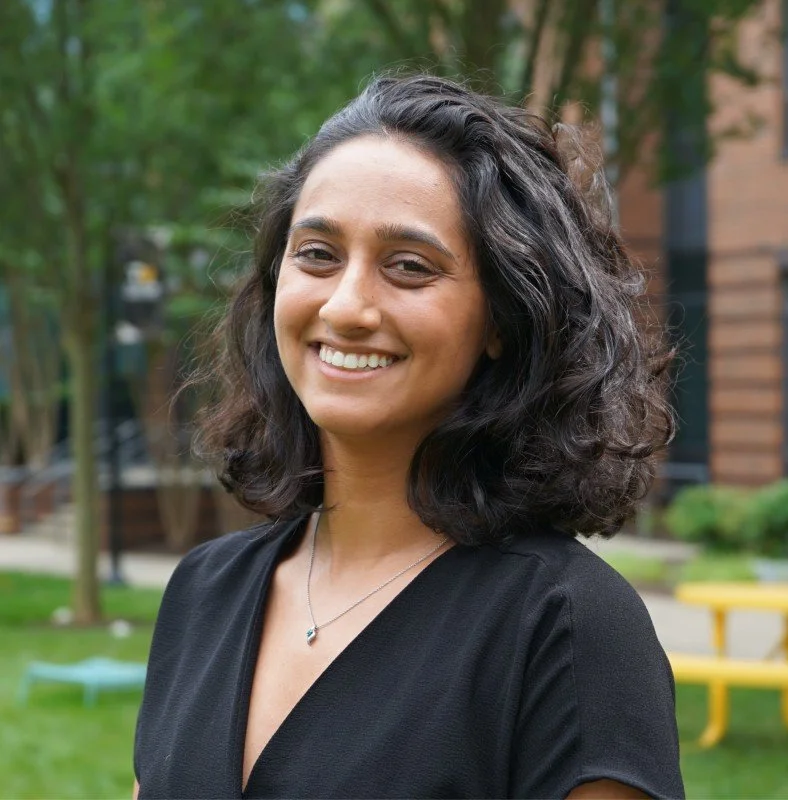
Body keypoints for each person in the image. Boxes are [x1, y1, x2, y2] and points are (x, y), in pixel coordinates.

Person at [133, 73, 684, 799]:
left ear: (501, 320)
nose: (348, 305)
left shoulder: (569, 629)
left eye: (409, 267)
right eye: (318, 255)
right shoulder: (203, 591)